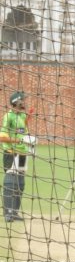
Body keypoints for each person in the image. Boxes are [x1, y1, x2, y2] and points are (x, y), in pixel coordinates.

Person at [0, 91, 36, 222]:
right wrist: (19, 141)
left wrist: (29, 116)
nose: (25, 102)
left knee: (20, 184)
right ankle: (8, 213)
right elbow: (2, 137)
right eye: (23, 100)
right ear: (17, 102)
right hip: (11, 153)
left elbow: (22, 128)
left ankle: (15, 212)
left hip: (22, 154)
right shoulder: (8, 116)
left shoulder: (22, 115)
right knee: (10, 182)